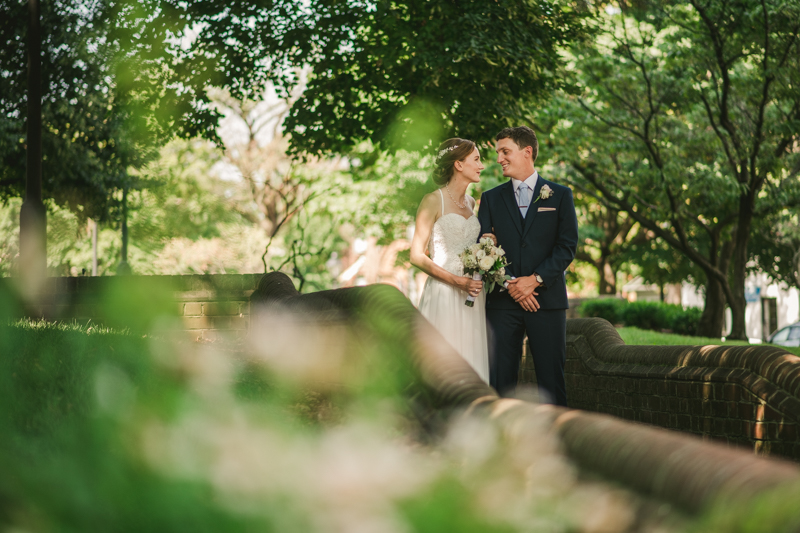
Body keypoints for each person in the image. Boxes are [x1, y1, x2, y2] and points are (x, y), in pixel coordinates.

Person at [477, 126, 578, 404]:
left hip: (546, 301)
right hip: (502, 303)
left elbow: (567, 247)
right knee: (499, 381)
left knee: (551, 379)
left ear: (527, 152)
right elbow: (483, 248)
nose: (499, 159)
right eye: (498, 153)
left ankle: (556, 440)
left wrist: (535, 279)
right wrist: (510, 282)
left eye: (505, 151)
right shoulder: (490, 198)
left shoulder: (560, 195)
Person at [410, 138, 495, 383]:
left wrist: (488, 245)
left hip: (472, 295)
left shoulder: (472, 203)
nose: (481, 165)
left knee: (470, 361)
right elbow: (416, 255)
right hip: (445, 292)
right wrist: (457, 282)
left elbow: (468, 246)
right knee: (442, 364)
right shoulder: (432, 200)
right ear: (458, 164)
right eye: (476, 159)